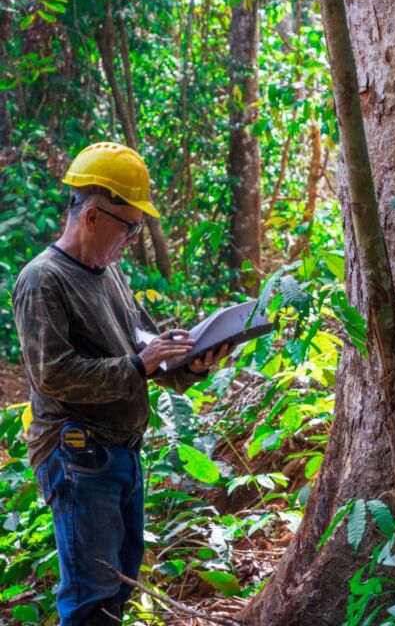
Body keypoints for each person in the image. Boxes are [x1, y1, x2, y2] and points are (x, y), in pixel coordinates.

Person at [12, 142, 233, 625]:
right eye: (128, 226)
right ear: (91, 216)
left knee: (119, 589)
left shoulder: (109, 274)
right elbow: (55, 376)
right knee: (93, 598)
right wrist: (141, 363)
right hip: (78, 456)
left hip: (121, 453)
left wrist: (186, 364)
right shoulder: (42, 280)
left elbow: (141, 343)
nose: (132, 238)